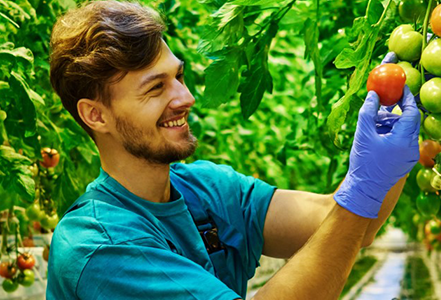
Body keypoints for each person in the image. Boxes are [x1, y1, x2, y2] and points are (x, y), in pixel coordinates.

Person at [45, 1, 420, 299]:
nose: (186, 98)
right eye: (155, 88)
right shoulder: (98, 246)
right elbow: (353, 214)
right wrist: (364, 188)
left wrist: (401, 114)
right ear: (96, 115)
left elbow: (355, 226)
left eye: (178, 76)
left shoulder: (207, 189)